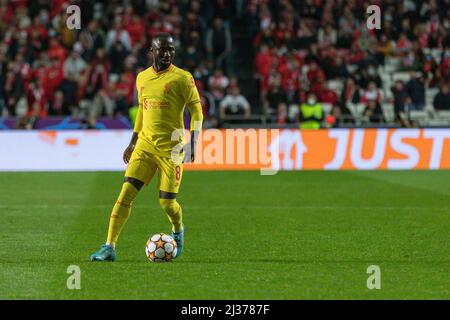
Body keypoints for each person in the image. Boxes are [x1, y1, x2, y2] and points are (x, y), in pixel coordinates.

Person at [90, 33, 203, 261]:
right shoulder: (142, 78)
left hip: (172, 149)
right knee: (125, 195)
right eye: (163, 49)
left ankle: (178, 231)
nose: (168, 54)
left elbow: (197, 111)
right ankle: (109, 246)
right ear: (152, 51)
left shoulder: (183, 78)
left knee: (167, 203)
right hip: (145, 145)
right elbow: (142, 110)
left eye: (171, 49)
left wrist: (194, 142)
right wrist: (133, 141)